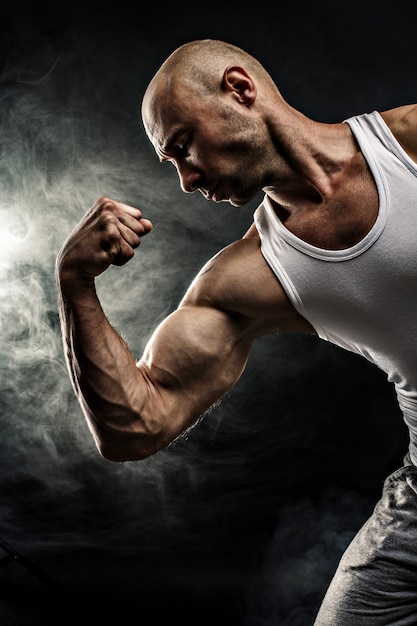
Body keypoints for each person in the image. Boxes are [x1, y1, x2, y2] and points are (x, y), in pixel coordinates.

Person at [55, 38, 417, 624]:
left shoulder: (408, 144)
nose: (185, 180)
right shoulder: (249, 277)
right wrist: (75, 284)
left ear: (240, 90)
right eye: (170, 162)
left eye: (182, 146)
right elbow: (136, 425)